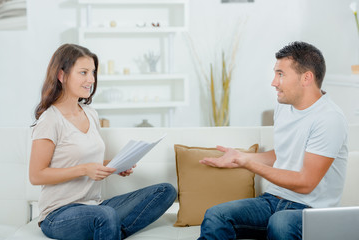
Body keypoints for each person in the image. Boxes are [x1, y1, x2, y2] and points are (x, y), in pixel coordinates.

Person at [198, 41, 348, 240]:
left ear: (306, 78)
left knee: (281, 223)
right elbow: (283, 154)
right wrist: (239, 157)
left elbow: (306, 183)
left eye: (281, 74)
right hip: (272, 201)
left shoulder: (329, 119)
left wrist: (249, 164)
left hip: (311, 210)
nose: (274, 82)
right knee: (216, 215)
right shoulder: (284, 106)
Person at [29, 43, 177, 240]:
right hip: (59, 214)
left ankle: (108, 230)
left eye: (93, 72)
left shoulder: (90, 113)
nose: (91, 79)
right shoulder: (50, 119)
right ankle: (108, 228)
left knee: (165, 191)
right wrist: (84, 169)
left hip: (96, 207)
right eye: (83, 72)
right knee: (106, 216)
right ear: (61, 76)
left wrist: (115, 165)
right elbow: (36, 175)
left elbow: (91, 163)